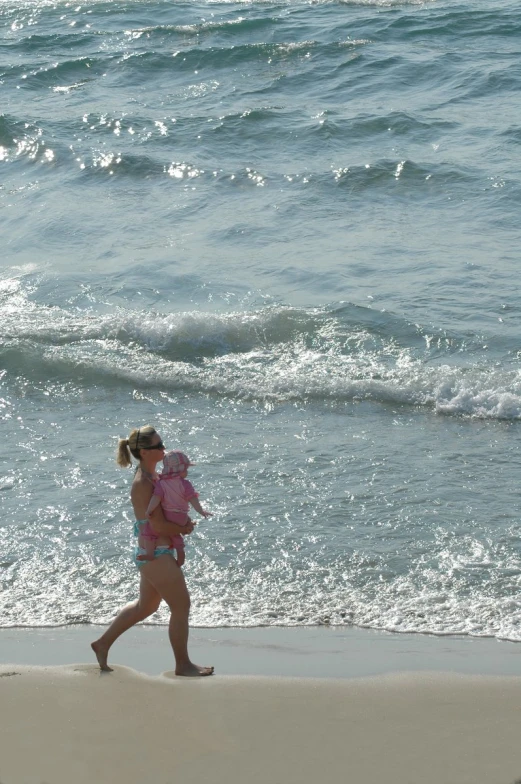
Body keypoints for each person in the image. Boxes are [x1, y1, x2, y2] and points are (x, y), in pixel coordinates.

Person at [91, 425, 214, 676]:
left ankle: (102, 643)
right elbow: (156, 524)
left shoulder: (155, 478)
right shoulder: (144, 483)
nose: (163, 449)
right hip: (155, 553)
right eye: (158, 446)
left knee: (145, 607)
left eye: (162, 444)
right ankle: (183, 665)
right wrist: (183, 529)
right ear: (145, 452)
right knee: (181, 606)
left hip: (152, 552)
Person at [137, 450, 212, 567]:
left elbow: (156, 498)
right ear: (180, 471)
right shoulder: (185, 484)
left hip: (168, 515)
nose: (186, 472)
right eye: (185, 470)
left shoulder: (161, 484)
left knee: (148, 531)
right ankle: (181, 557)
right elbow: (193, 499)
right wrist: (201, 511)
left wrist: (149, 510)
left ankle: (150, 554)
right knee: (176, 535)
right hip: (182, 517)